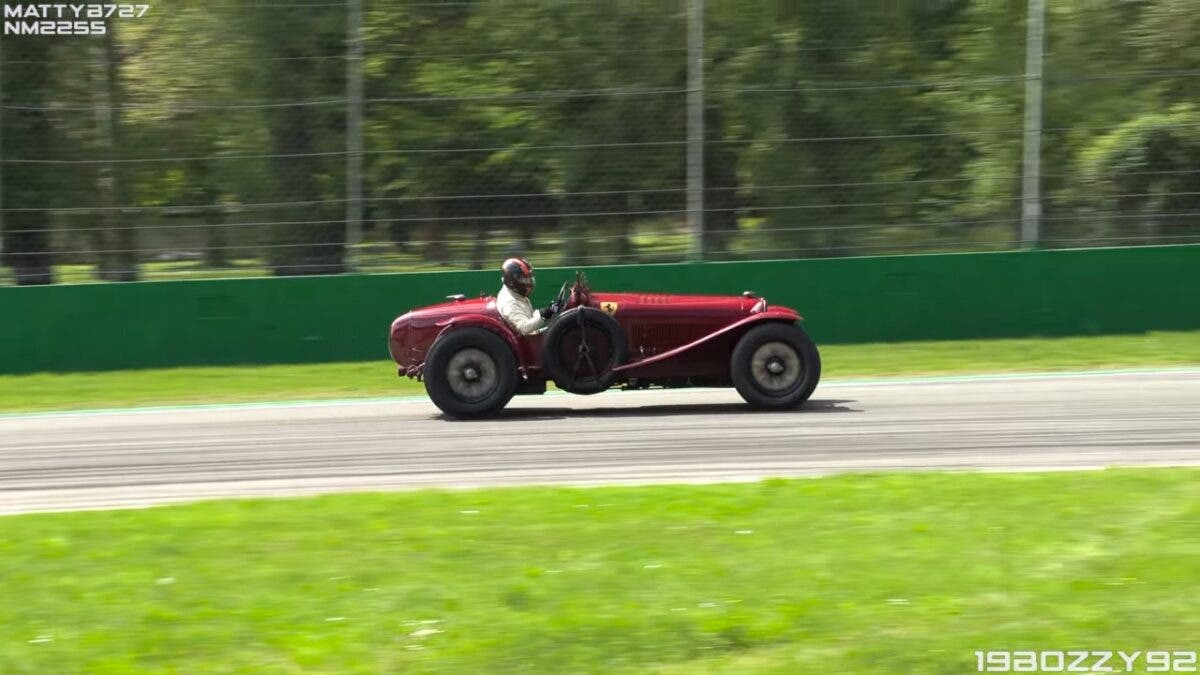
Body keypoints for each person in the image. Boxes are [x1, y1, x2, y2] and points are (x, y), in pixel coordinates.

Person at [496, 257, 562, 335]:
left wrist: (548, 311)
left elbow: (529, 317)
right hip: (527, 340)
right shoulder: (510, 302)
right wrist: (545, 315)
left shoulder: (515, 295)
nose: (529, 282)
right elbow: (524, 327)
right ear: (512, 282)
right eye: (524, 280)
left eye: (529, 278)